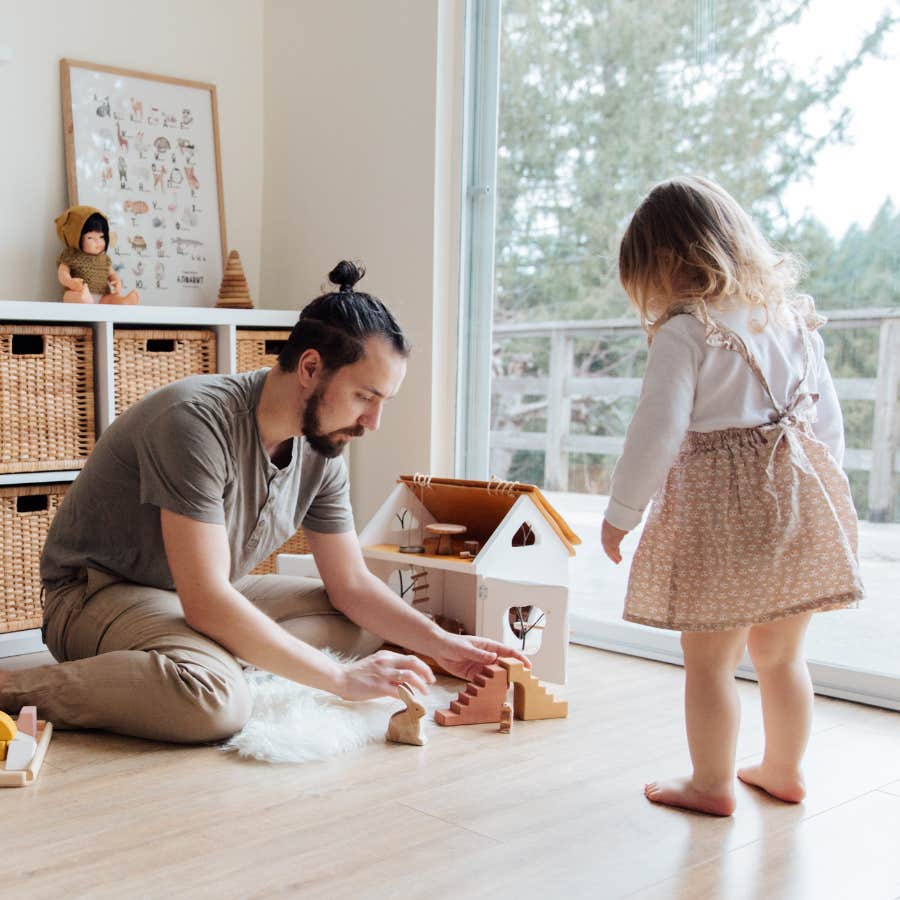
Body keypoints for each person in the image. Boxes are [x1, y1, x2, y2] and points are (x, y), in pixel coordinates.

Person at [0, 260, 527, 743]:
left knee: (367, 624)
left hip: (198, 593)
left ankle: (216, 652)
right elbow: (206, 599)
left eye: (382, 402)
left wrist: (444, 646)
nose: (373, 422)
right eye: (366, 397)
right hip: (98, 595)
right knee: (215, 703)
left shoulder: (324, 448)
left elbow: (350, 585)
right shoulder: (195, 423)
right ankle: (17, 689)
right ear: (311, 368)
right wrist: (341, 679)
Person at [600, 177, 863, 816]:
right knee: (781, 655)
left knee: (710, 660)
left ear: (664, 264)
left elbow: (655, 433)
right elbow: (827, 428)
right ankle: (783, 769)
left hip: (723, 515)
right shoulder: (793, 320)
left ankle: (712, 783)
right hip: (800, 500)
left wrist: (621, 515)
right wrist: (834, 499)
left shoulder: (687, 331)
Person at [55, 205, 139, 304]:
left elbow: (112, 274)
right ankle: (84, 298)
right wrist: (70, 282)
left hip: (102, 297)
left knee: (112, 299)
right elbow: (62, 273)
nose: (98, 242)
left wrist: (117, 283)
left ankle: (123, 302)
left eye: (101, 237)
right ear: (74, 238)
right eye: (90, 238)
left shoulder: (104, 259)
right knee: (69, 296)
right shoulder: (71, 256)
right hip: (79, 291)